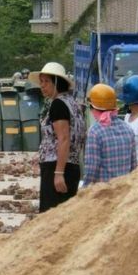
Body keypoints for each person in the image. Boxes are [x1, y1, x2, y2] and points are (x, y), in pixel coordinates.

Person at [28, 62, 86, 213]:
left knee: (51, 215)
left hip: (59, 166)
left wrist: (59, 173)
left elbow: (64, 138)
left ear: (57, 83)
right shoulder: (73, 103)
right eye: (41, 82)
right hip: (71, 166)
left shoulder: (58, 104)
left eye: (46, 81)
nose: (42, 86)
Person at [83, 84, 137, 185]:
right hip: (124, 190)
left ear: (93, 107)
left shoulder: (95, 131)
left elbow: (91, 169)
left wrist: (84, 190)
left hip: (104, 193)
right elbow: (134, 166)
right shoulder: (128, 129)